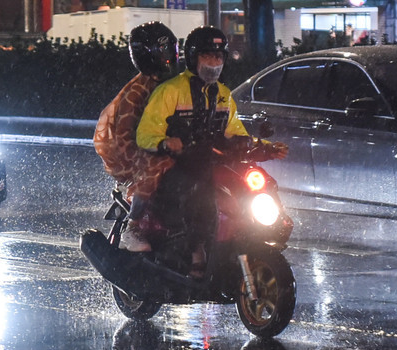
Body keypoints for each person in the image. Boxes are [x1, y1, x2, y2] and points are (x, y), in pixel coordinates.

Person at [136, 26, 288, 276]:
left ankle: (216, 249)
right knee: (191, 196)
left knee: (232, 195)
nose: (214, 63)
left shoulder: (223, 95)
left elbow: (235, 133)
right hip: (173, 164)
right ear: (194, 58)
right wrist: (165, 143)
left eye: (218, 57)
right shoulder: (170, 91)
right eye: (208, 56)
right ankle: (185, 253)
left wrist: (264, 148)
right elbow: (145, 132)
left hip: (208, 163)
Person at [93, 21, 179, 252]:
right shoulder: (137, 92)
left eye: (170, 49)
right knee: (156, 167)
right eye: (162, 51)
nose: (168, 56)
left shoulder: (179, 83)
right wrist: (150, 151)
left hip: (176, 146)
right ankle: (134, 225)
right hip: (141, 152)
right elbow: (123, 138)